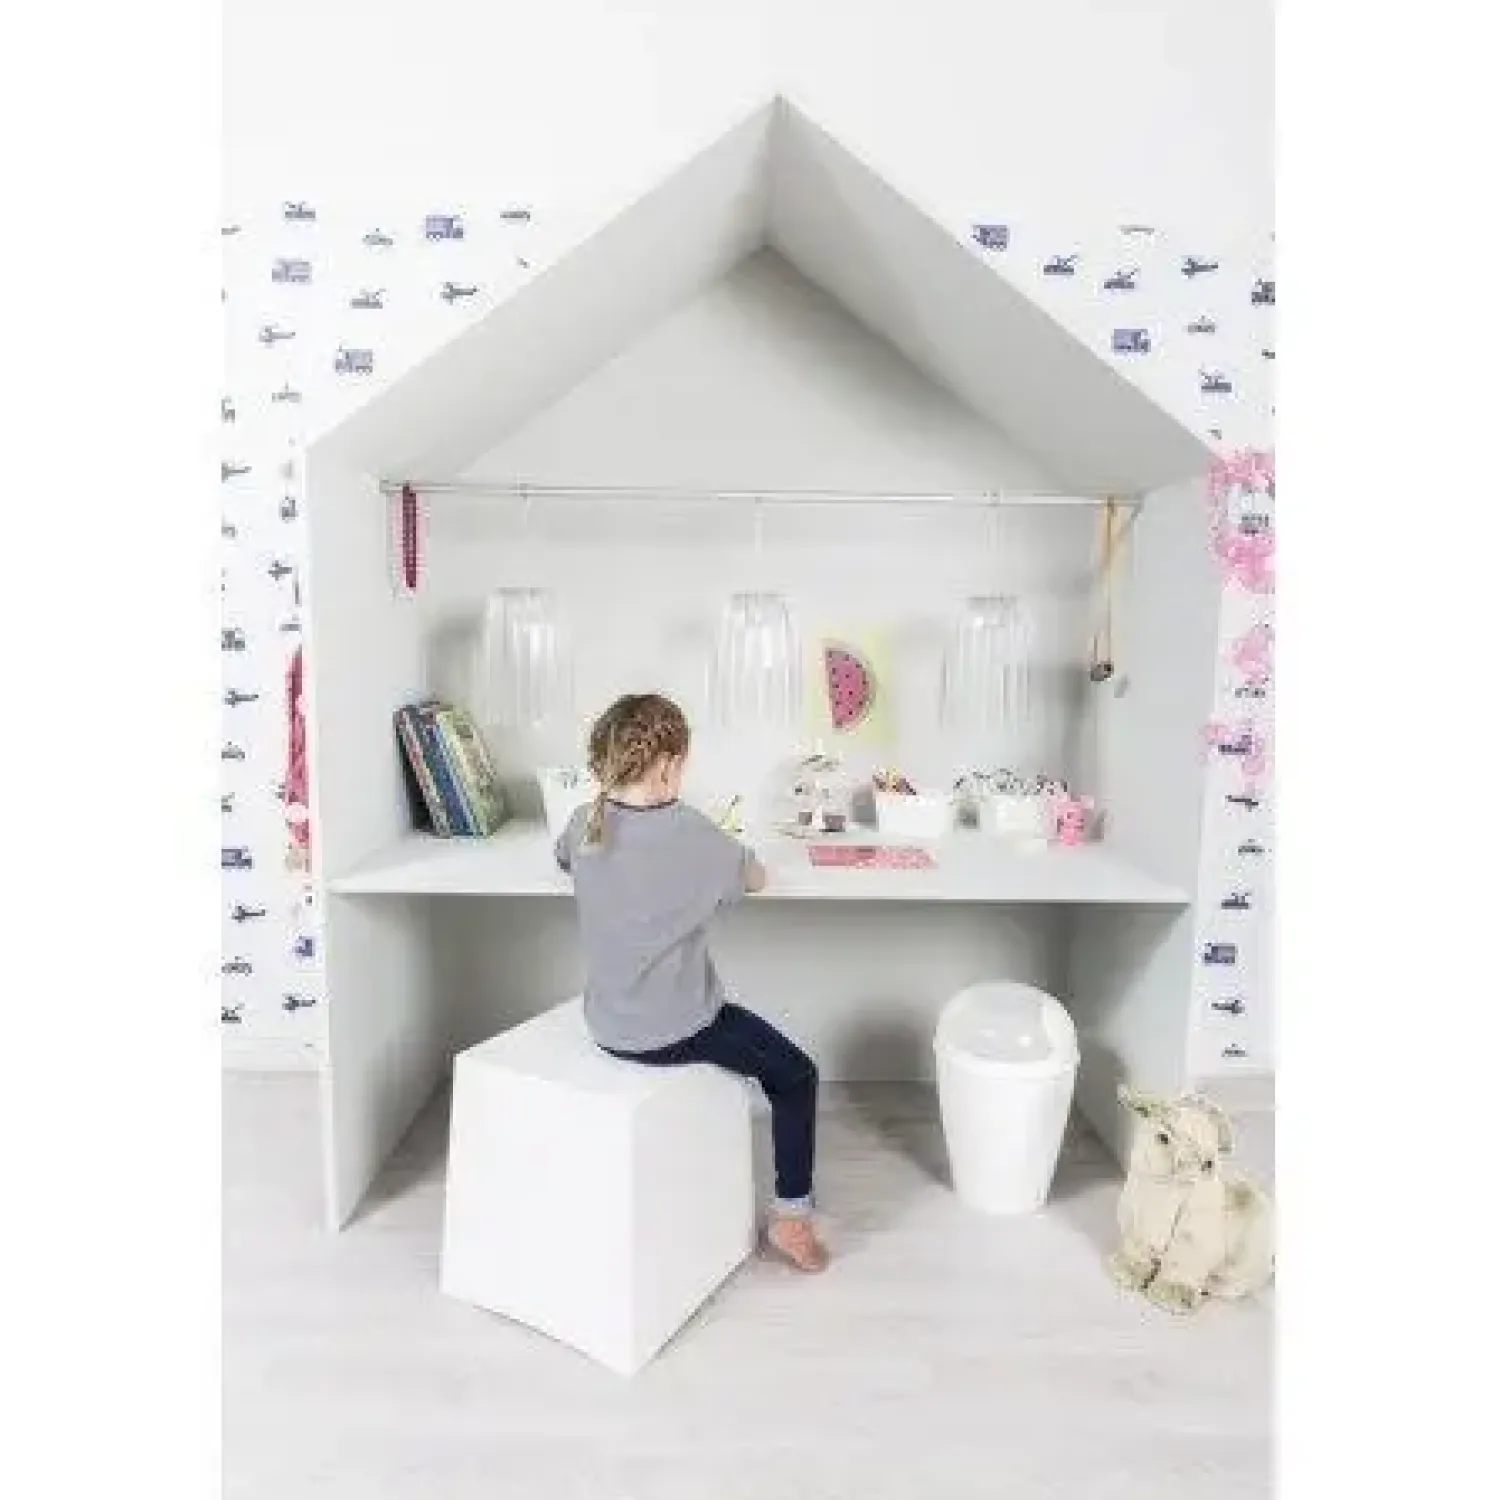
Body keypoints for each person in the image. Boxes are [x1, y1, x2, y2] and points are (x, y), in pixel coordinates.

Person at [554, 692, 830, 1273]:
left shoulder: (583, 822)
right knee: (796, 1075)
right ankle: (792, 1219)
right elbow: (755, 878)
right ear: (668, 766)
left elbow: (563, 857)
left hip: (607, 1022)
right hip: (677, 1029)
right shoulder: (693, 833)